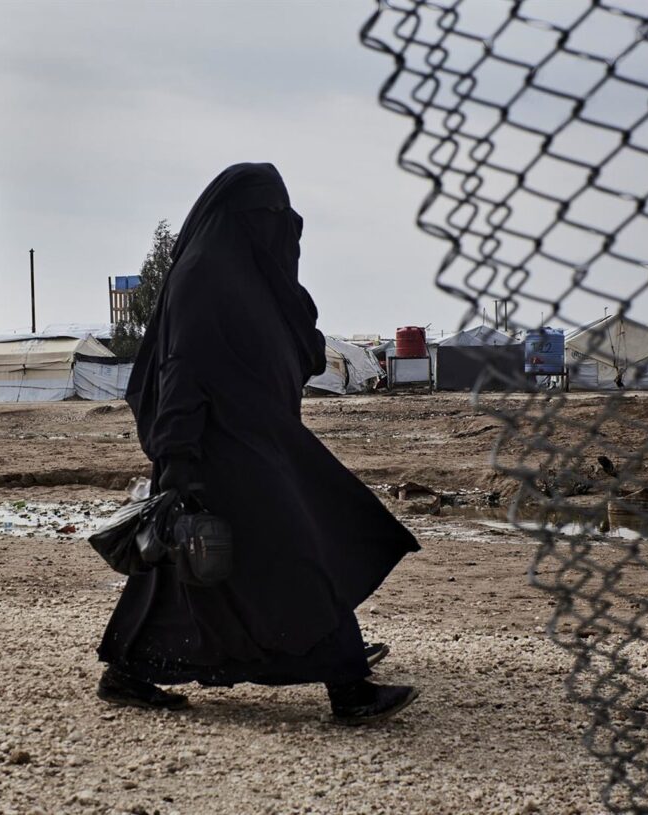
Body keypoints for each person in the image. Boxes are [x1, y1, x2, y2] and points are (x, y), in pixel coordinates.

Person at [96, 163, 421, 724]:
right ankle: (346, 682)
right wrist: (177, 456)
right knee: (295, 551)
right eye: (266, 213)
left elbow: (299, 348)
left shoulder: (252, 275)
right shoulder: (202, 275)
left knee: (189, 565)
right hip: (217, 450)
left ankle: (130, 670)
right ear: (235, 216)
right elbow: (181, 370)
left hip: (258, 441)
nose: (278, 224)